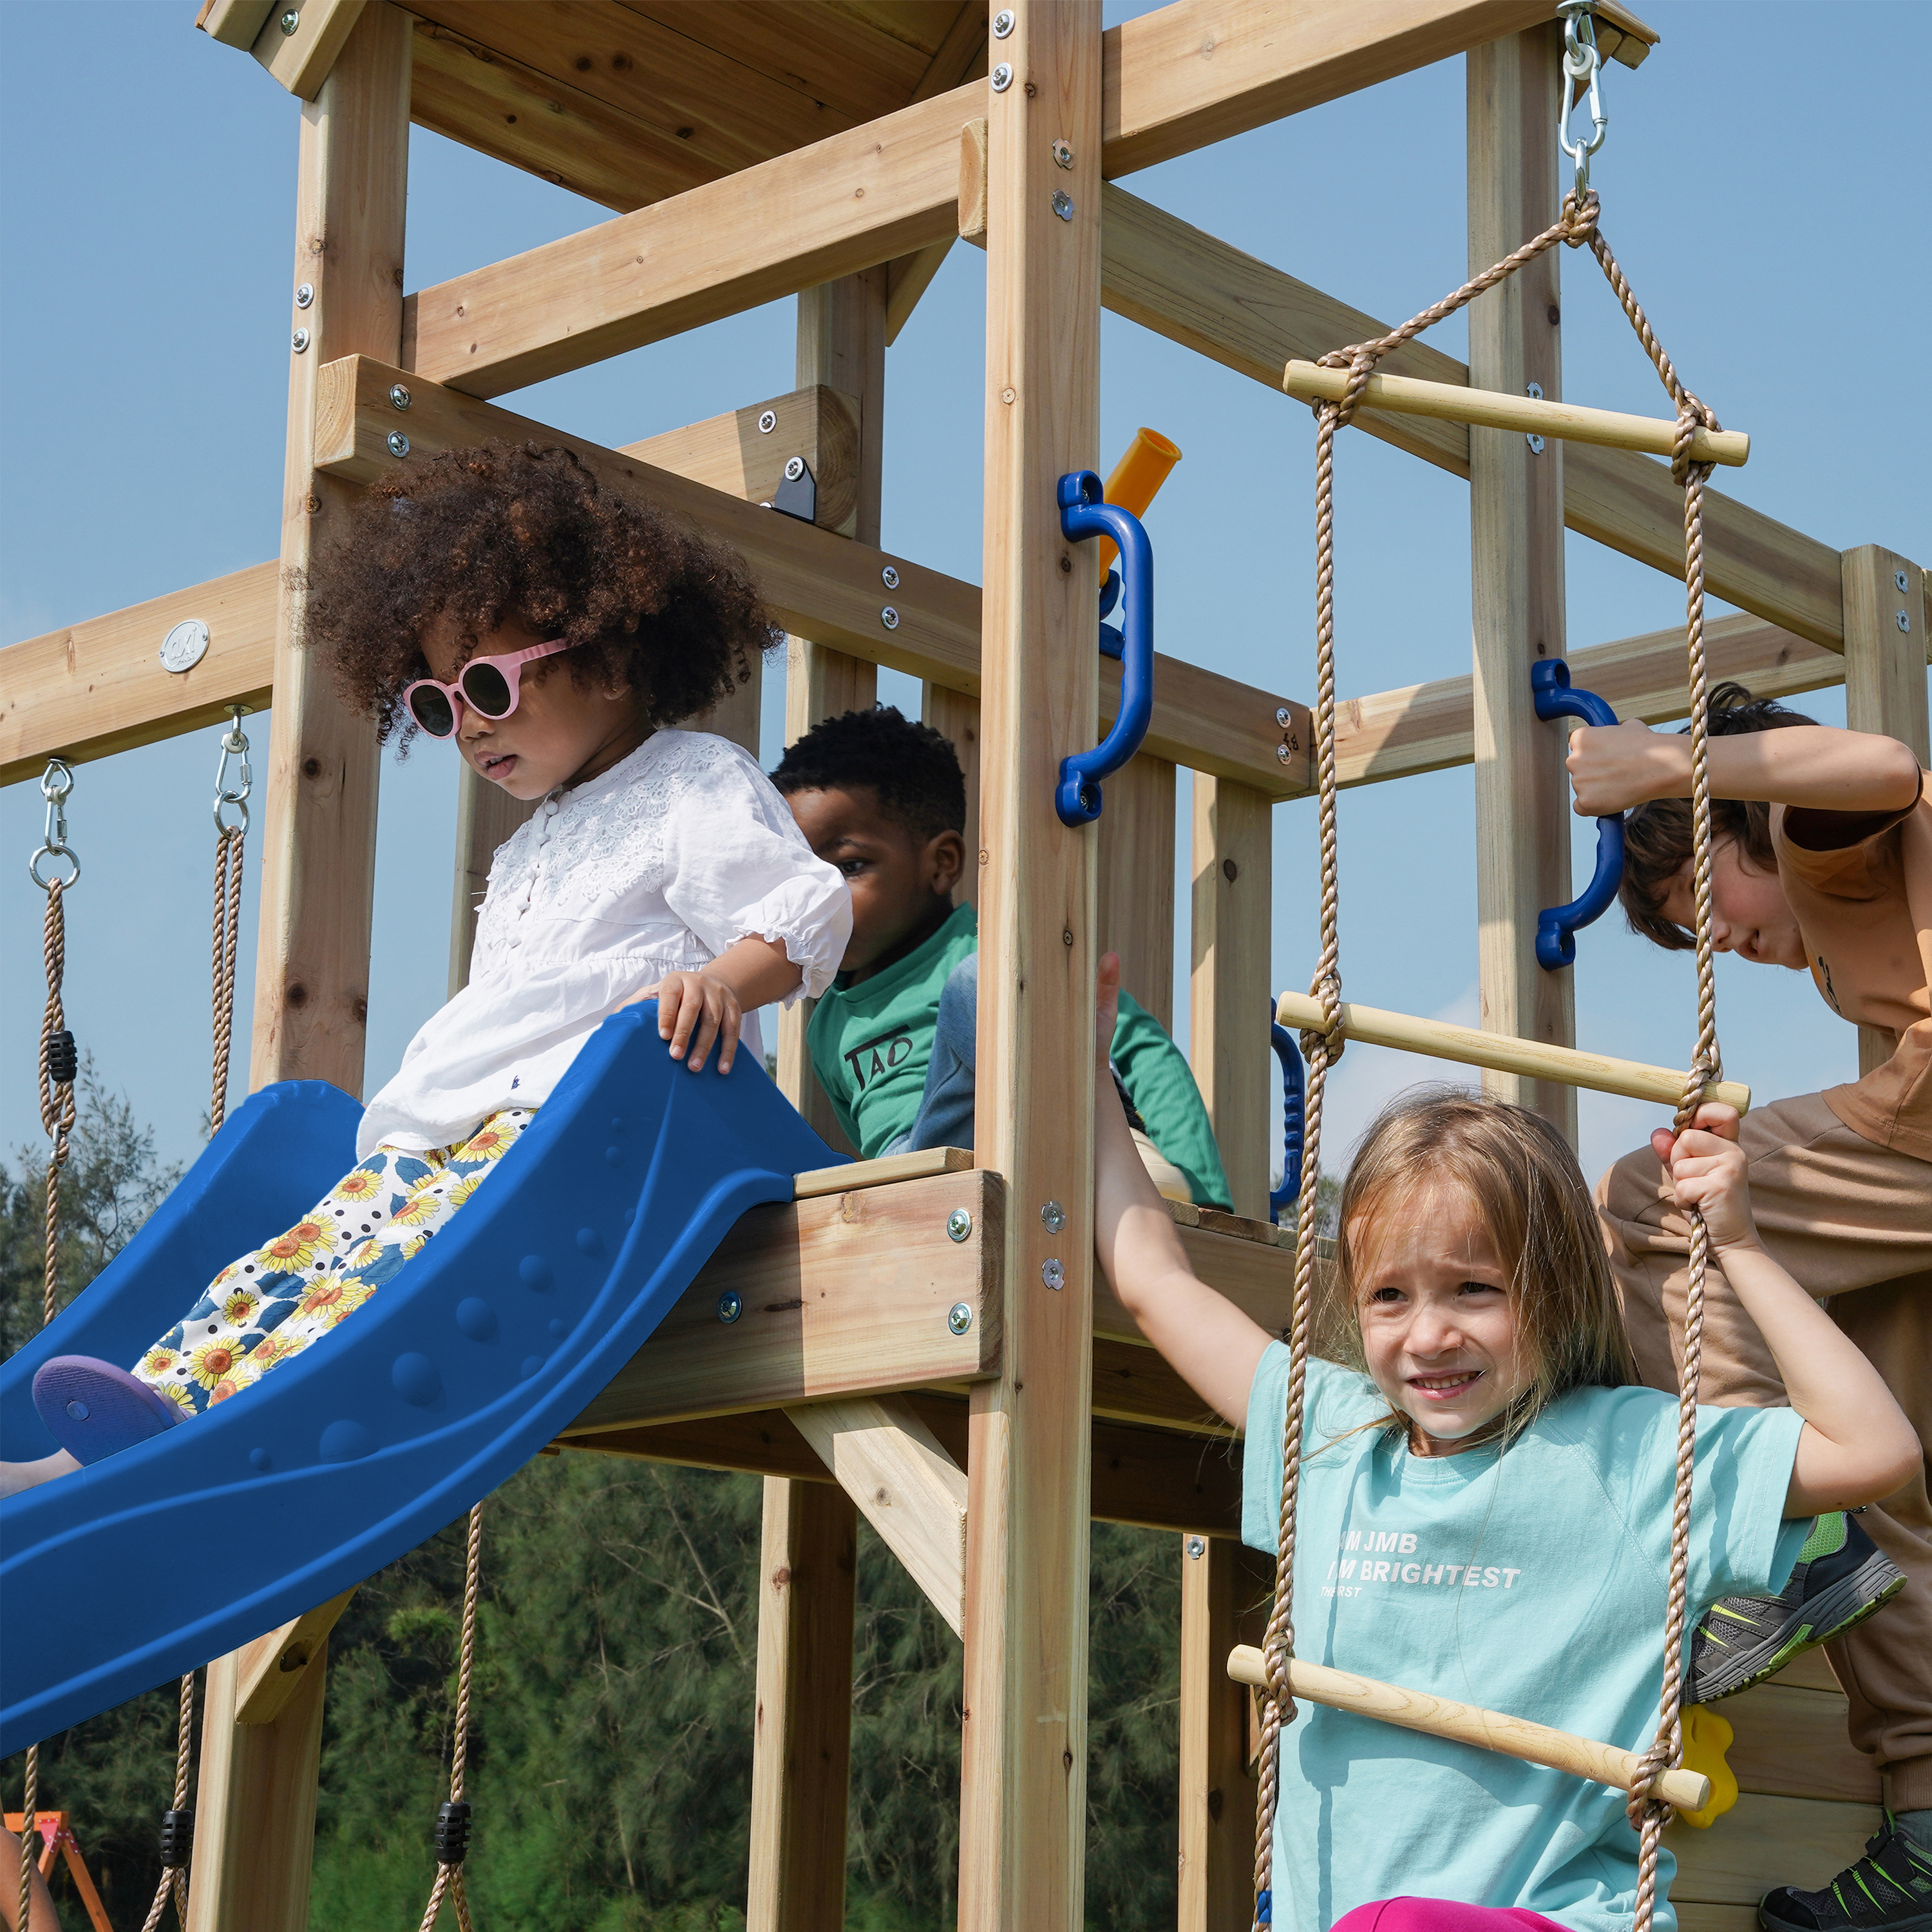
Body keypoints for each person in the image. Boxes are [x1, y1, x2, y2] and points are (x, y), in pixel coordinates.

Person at [6, 442, 850, 1495]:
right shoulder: (529, 845)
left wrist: (722, 982)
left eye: (490, 683)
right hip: (447, 1144)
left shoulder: (688, 783)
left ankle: (172, 1443)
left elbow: (801, 909)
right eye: (439, 705)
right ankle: (85, 1452)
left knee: (371, 1293)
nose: (471, 724)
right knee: (277, 1275)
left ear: (616, 660)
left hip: (571, 1151)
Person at [1089, 951, 1920, 1932]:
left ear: (1556, 1291)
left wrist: (1736, 1245)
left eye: (1474, 1290)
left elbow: (1874, 1450)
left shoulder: (1628, 1454)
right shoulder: (1335, 1436)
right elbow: (1152, 1278)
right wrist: (1091, 1061)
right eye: (1390, 1296)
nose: (1429, 1334)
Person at [1570, 685, 1932, 1924]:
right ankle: (1930, 1828)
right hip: (1912, 1163)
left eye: (1694, 906)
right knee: (1884, 1462)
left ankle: (1777, 1551)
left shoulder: (1807, 830)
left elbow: (1883, 758)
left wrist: (1661, 762)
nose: (1712, 939)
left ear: (1731, 829)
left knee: (1654, 1192)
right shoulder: (1861, 911)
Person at [772, 705, 1232, 1208]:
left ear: (941, 865)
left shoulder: (986, 958)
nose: (819, 900)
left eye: (849, 867)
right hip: (913, 1186)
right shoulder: (827, 1024)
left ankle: (1120, 1145)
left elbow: (1139, 1047)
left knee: (985, 980)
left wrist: (1202, 1191)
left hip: (1010, 1161)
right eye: (798, 879)